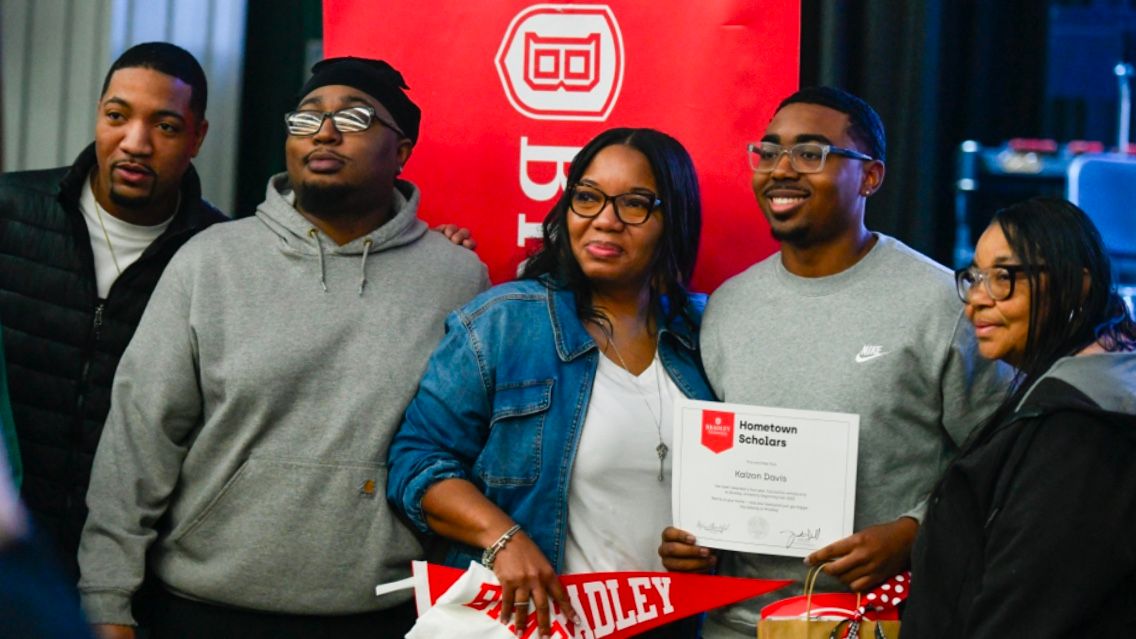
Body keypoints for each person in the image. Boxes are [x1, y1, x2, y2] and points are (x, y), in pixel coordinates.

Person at [77, 56, 489, 639]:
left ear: (401, 151)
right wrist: (107, 600)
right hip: (201, 608)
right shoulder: (209, 260)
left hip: (384, 614)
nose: (323, 132)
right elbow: (139, 440)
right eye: (306, 119)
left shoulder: (457, 279)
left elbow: (466, 453)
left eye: (354, 118)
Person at [658, 86, 1010, 638]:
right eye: (769, 152)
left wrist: (912, 532)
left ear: (869, 177)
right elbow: (721, 454)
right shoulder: (727, 305)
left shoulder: (942, 302)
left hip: (874, 622)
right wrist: (693, 538)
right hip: (735, 623)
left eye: (811, 153)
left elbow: (1001, 462)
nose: (781, 169)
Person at [387, 127, 714, 638]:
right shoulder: (503, 322)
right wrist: (504, 539)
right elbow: (417, 462)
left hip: (665, 626)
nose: (605, 220)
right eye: (587, 198)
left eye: (634, 204)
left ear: (674, 218)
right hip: (529, 625)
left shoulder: (707, 335)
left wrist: (708, 548)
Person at [0, 42, 226, 577]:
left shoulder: (221, 255)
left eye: (166, 127)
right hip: (13, 556)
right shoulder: (10, 213)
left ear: (197, 137)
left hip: (135, 573)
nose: (135, 143)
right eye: (117, 117)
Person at [903, 198, 1136, 637]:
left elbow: (1029, 608)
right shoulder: (1078, 393)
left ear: (1078, 286)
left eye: (1003, 278)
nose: (975, 301)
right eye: (974, 277)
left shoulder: (1081, 430)